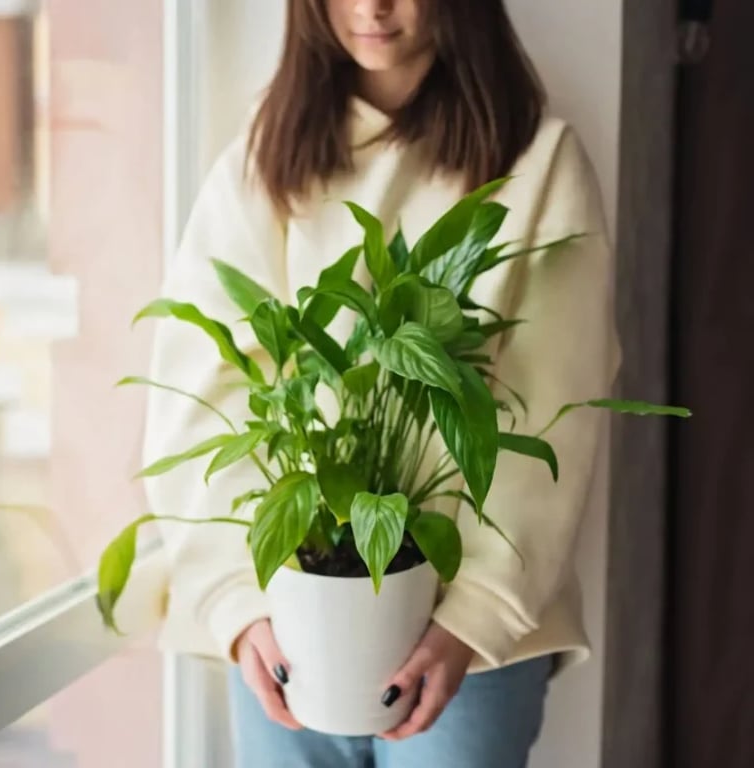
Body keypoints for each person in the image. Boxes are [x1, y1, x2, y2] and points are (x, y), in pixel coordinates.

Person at [139, 1, 621, 765]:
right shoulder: (265, 158)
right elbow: (198, 397)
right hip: (290, 621)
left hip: (467, 643)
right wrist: (236, 602)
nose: (370, 6)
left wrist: (474, 618)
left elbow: (552, 409)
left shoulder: (536, 161)